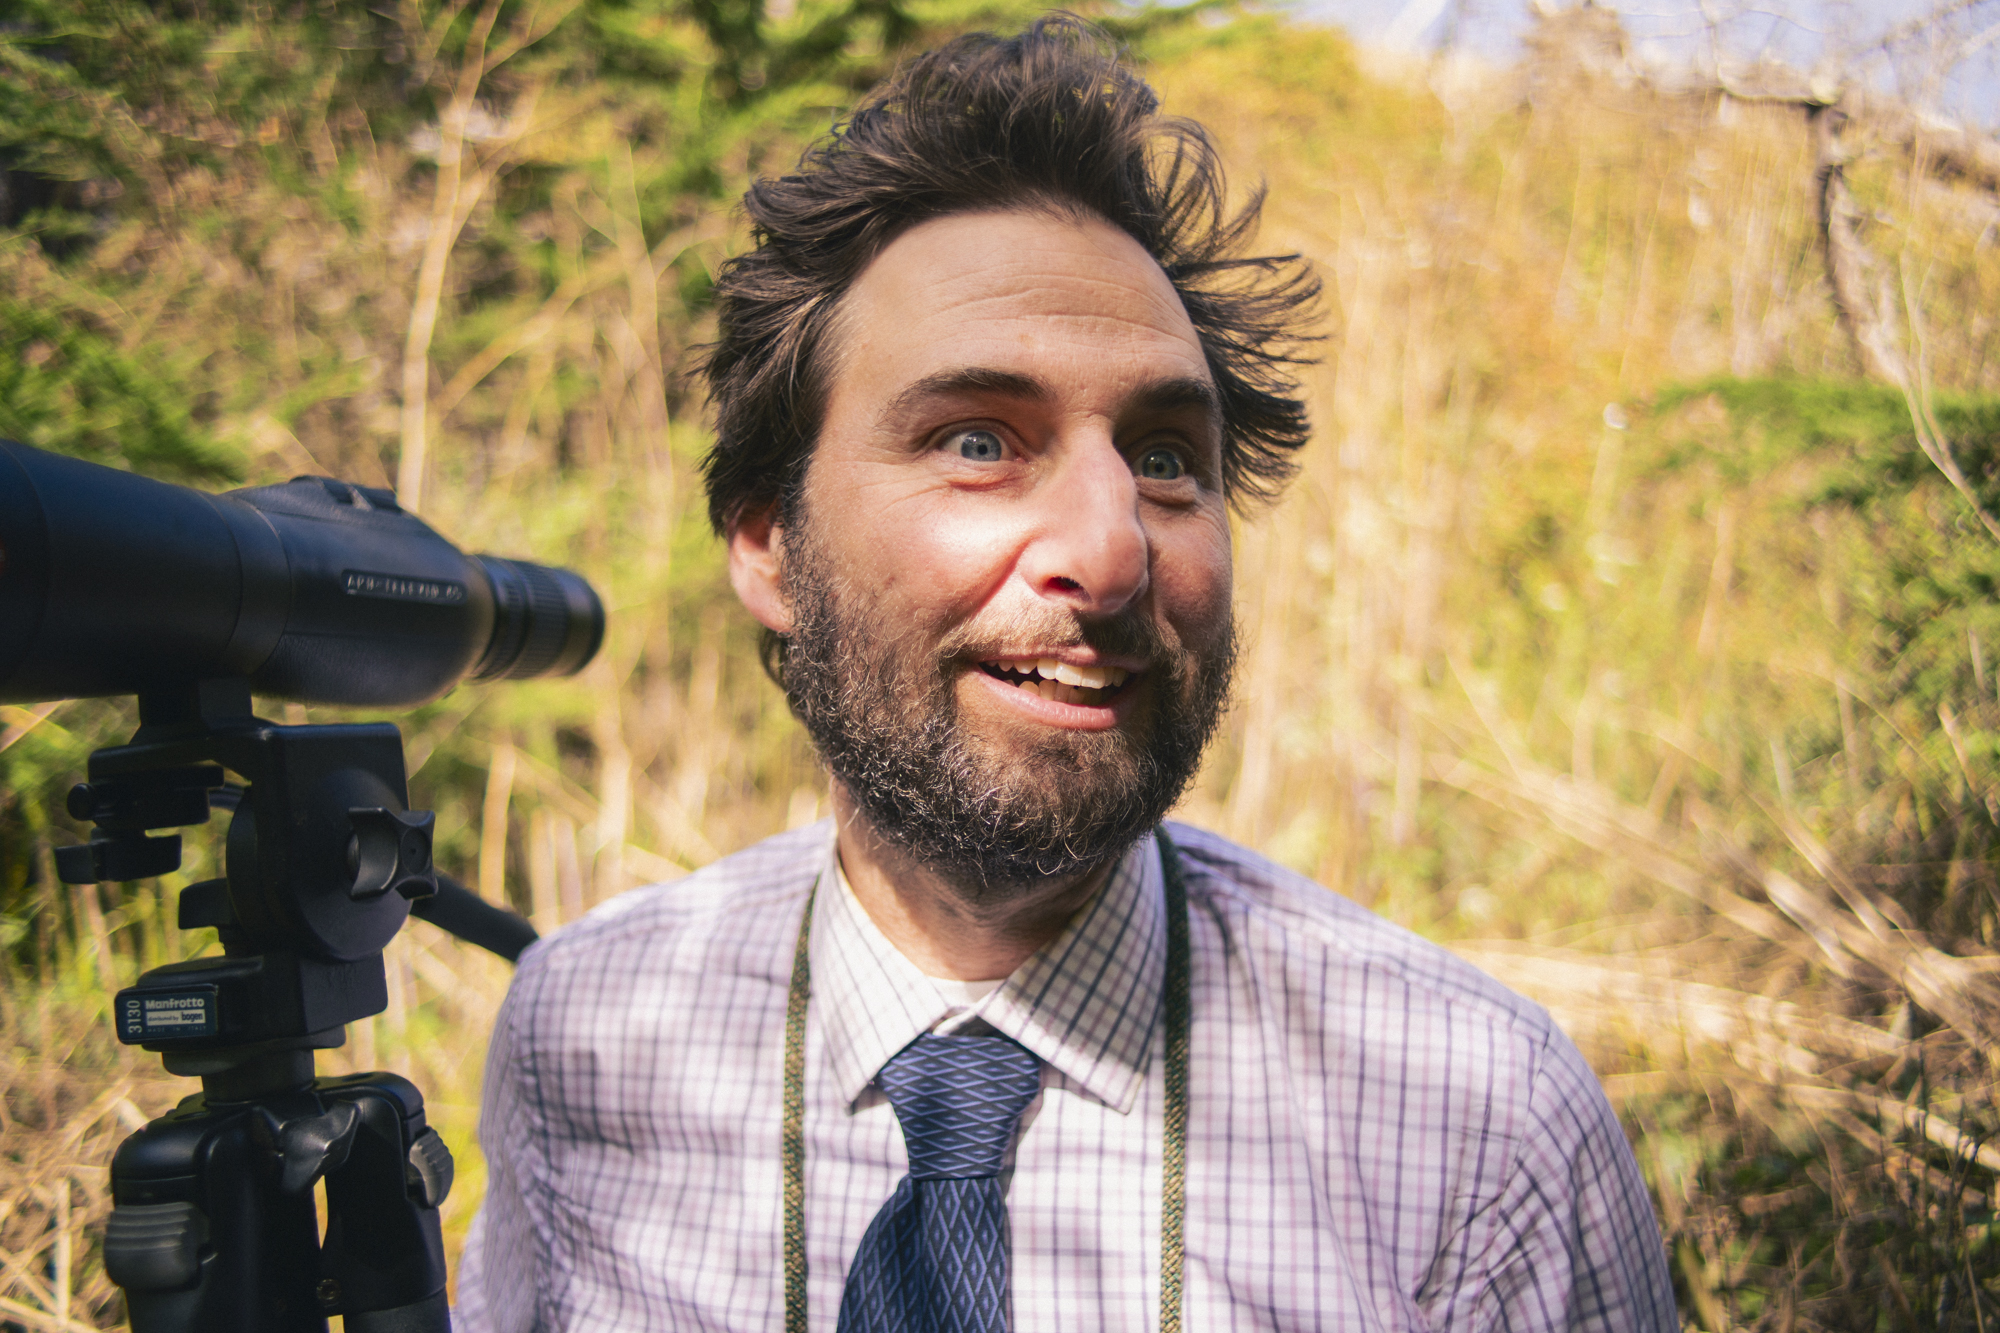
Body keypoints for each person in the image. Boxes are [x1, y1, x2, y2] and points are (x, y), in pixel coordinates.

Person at [456, 17, 1677, 1332]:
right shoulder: (580, 1035)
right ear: (770, 544)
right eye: (978, 440)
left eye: (1164, 458)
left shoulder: (1480, 1125)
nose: (1110, 551)